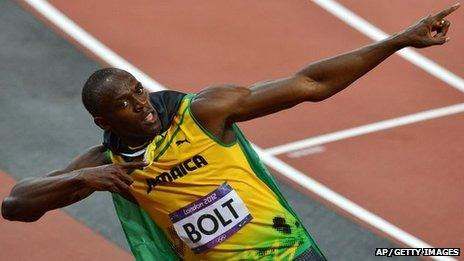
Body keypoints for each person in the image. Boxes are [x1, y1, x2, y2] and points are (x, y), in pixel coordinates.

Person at [2, 4, 459, 260]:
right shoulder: (108, 165)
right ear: (103, 122)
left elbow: (310, 84)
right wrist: (80, 179)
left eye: (138, 91)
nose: (140, 104)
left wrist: (398, 40)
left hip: (285, 256)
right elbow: (15, 205)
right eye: (124, 104)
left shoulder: (202, 112)